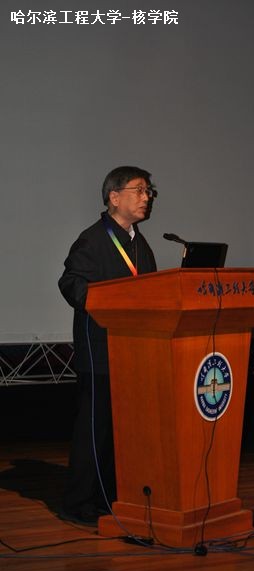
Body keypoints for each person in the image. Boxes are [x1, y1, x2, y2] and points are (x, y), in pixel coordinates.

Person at [58, 165, 157, 526]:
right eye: (139, 190)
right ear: (114, 197)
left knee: (121, 431)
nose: (147, 197)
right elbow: (71, 283)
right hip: (100, 350)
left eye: (148, 191)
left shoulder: (138, 242)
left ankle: (109, 497)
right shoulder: (93, 239)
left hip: (132, 351)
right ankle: (77, 502)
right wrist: (109, 302)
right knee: (94, 430)